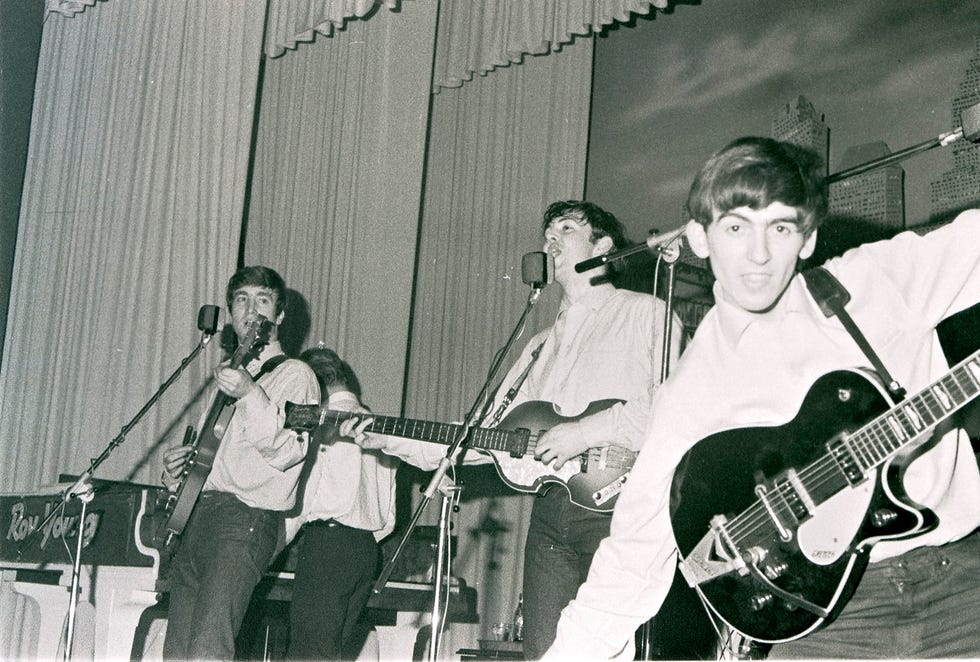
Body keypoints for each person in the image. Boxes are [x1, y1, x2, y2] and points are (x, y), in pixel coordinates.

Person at [544, 137, 980, 659]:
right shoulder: (693, 388)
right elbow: (633, 557)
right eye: (736, 227)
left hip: (962, 580)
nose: (759, 253)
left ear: (807, 238)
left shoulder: (874, 282)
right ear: (700, 237)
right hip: (833, 619)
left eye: (780, 227)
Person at [350, 200, 684, 659]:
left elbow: (674, 410)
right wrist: (388, 437)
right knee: (542, 652)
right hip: (549, 518)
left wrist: (584, 433)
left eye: (566, 229)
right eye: (547, 233)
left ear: (602, 246)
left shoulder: (646, 314)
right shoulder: (539, 346)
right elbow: (483, 435)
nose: (550, 239)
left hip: (623, 508)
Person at [160, 265, 320, 661]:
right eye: (241, 300)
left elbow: (289, 451)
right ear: (230, 312)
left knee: (208, 650)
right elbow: (213, 462)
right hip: (199, 517)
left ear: (280, 314)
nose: (251, 310)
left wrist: (250, 393)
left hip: (244, 521)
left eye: (263, 300)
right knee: (176, 653)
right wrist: (177, 473)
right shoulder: (233, 375)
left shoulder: (299, 376)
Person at [281, 346, 417, 660]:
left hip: (327, 546)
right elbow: (389, 517)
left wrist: (273, 547)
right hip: (365, 552)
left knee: (308, 654)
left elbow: (303, 498)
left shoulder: (322, 424)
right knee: (330, 653)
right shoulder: (383, 430)